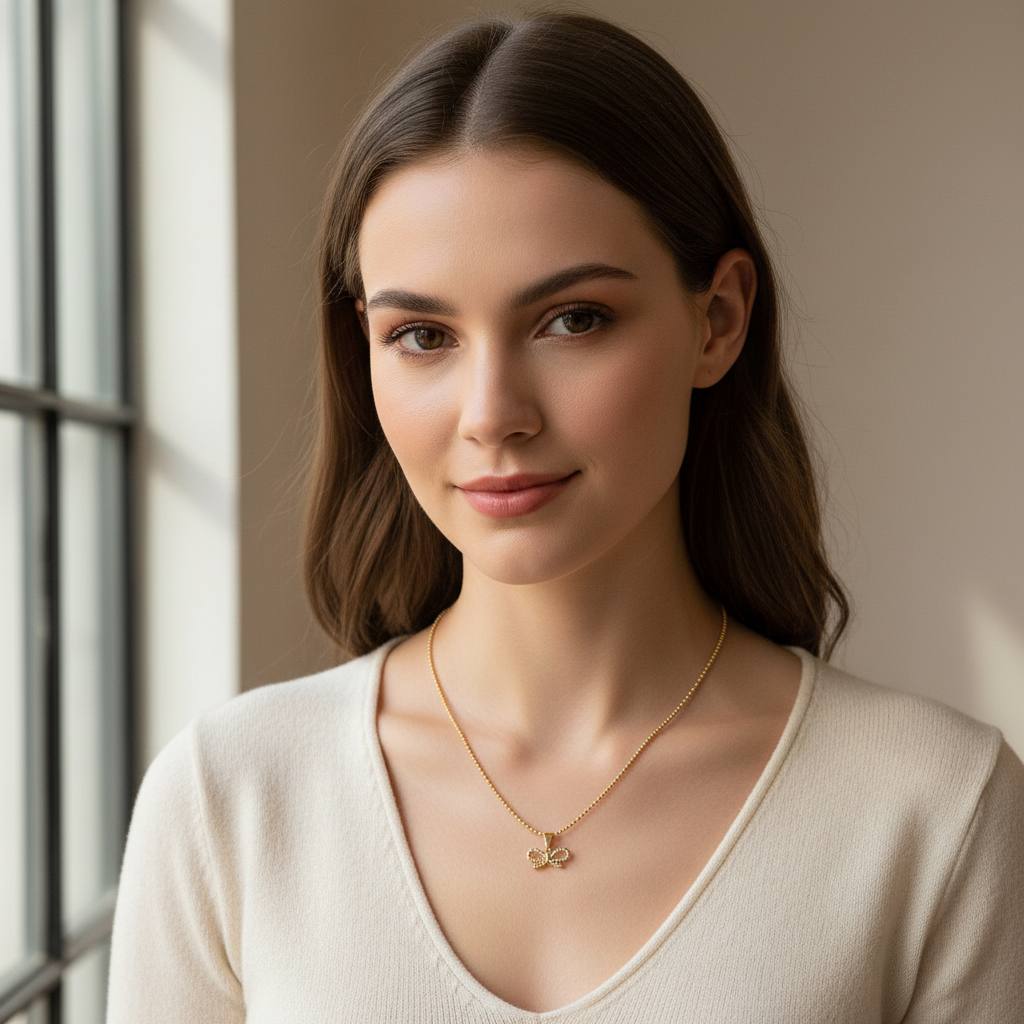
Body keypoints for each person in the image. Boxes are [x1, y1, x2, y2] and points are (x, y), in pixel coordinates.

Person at [106, 11, 1024, 1022]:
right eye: (420, 335)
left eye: (571, 319)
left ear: (716, 320)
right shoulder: (230, 799)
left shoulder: (934, 806)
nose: (493, 413)